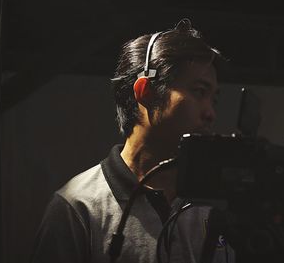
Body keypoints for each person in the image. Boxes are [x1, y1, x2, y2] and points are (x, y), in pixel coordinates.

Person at [30, 19, 233, 263]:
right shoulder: (79, 206)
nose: (210, 113)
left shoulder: (216, 202)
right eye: (199, 92)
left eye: (214, 99)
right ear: (145, 92)